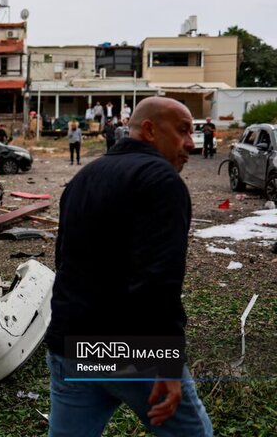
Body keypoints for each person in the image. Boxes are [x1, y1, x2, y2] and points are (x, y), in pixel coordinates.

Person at [45, 96, 212, 436]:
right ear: (150, 130)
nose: (191, 145)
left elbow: (63, 262)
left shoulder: (84, 177)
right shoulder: (161, 181)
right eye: (182, 131)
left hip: (71, 345)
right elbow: (159, 280)